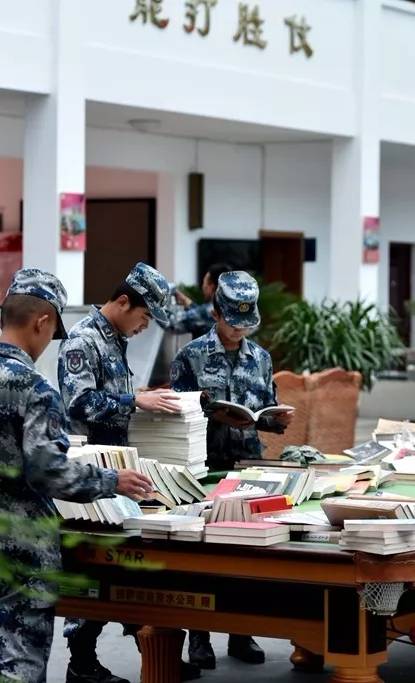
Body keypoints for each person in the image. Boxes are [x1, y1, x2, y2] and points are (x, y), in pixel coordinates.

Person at [0, 269, 153, 683]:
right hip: (21, 553)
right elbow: (48, 472)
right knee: (19, 666)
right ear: (41, 322)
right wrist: (111, 482)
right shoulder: (35, 390)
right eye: (51, 331)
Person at [58, 262, 200, 683]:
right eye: (144, 316)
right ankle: (81, 663)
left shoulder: (113, 338)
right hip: (90, 475)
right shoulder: (83, 340)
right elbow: (79, 403)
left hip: (119, 470)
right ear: (123, 302)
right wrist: (135, 402)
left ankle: (155, 651)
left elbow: (110, 395)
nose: (145, 326)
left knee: (131, 564)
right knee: (94, 569)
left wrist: (141, 397)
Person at [170, 270, 293, 668]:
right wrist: (212, 412)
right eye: (232, 322)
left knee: (246, 555)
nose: (239, 330)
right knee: (202, 556)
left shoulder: (261, 358)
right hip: (204, 466)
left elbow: (265, 410)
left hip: (247, 467)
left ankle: (242, 631)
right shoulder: (190, 357)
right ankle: (199, 637)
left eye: (246, 323)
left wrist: (274, 420)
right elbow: (177, 415)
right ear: (215, 314)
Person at [167, 262, 234, 338]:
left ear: (211, 287)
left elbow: (171, 323)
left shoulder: (210, 310)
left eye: (204, 282)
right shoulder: (229, 307)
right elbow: (200, 314)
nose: (203, 287)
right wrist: (186, 301)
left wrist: (156, 302)